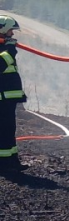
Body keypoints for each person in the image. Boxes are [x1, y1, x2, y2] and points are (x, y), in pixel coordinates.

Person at [0, 15, 27, 179]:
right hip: (1, 98)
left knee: (9, 129)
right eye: (10, 30)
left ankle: (12, 161)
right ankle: (3, 165)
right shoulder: (5, 48)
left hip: (7, 98)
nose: (12, 34)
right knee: (3, 131)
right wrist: (10, 49)